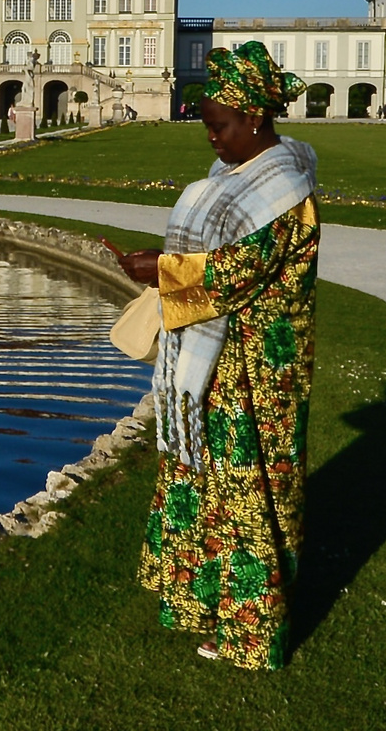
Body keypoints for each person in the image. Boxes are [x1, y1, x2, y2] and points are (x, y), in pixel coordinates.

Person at [107, 40, 319, 671]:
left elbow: (235, 275)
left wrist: (158, 269)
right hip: (220, 357)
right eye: (207, 125)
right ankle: (206, 603)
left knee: (248, 492)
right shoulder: (243, 173)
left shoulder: (281, 189)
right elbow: (213, 257)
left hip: (257, 365)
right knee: (207, 482)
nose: (211, 138)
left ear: (254, 118)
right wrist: (161, 262)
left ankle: (254, 635)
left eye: (218, 126)